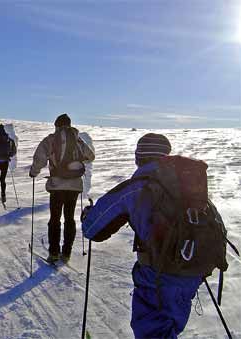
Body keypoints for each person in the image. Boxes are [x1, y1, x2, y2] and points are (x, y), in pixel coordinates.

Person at [81, 133, 207, 339]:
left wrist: (87, 215)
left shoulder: (136, 187)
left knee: (153, 331)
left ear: (139, 157)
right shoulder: (188, 187)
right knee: (168, 328)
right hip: (193, 272)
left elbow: (92, 228)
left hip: (158, 275)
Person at [29, 114, 95, 263]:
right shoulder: (77, 140)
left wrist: (34, 172)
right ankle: (67, 253)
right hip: (74, 185)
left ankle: (54, 253)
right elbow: (90, 156)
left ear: (57, 126)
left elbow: (40, 157)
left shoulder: (51, 139)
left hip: (57, 185)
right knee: (69, 218)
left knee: (55, 218)